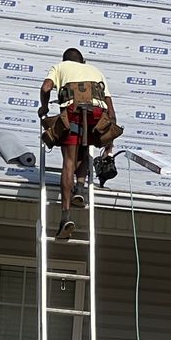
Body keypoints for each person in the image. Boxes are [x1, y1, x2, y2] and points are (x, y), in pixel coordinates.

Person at [38, 48, 117, 239]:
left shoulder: (59, 67)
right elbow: (111, 109)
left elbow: (46, 88)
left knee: (68, 162)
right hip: (97, 115)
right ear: (83, 61)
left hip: (73, 112)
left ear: (65, 60)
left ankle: (65, 217)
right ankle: (80, 188)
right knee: (85, 148)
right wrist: (109, 145)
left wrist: (45, 106)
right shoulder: (96, 71)